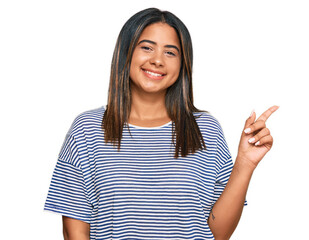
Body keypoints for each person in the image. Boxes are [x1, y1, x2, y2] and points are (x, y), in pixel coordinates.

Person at [43, 8, 278, 240]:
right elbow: (74, 232)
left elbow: (218, 234)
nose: (157, 60)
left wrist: (245, 164)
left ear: (182, 64)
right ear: (126, 52)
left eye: (170, 52)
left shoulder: (205, 130)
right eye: (147, 47)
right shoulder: (88, 129)